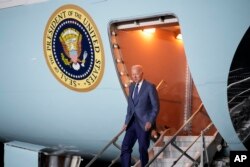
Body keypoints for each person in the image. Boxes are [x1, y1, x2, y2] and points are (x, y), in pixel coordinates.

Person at [120, 65, 159, 167]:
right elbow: (130, 107)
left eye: (136, 74)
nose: (134, 77)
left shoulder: (150, 86)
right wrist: (126, 122)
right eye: (132, 74)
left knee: (142, 148)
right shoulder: (131, 86)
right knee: (125, 147)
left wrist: (150, 121)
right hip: (131, 123)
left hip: (144, 123)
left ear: (142, 73)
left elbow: (155, 107)